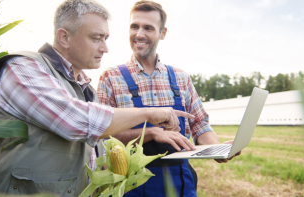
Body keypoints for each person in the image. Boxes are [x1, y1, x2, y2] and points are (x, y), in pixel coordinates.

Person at [0, 0, 194, 196]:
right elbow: (77, 122)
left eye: (106, 38)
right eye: (97, 38)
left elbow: (100, 144)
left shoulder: (84, 88)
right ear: (64, 37)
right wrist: (150, 113)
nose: (105, 48)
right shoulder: (22, 69)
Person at [97, 1, 241, 196]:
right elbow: (103, 134)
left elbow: (199, 124)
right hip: (132, 183)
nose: (139, 34)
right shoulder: (111, 78)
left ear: (162, 33)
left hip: (181, 180)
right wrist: (151, 133)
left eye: (148, 28)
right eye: (134, 26)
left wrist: (215, 149)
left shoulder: (181, 78)